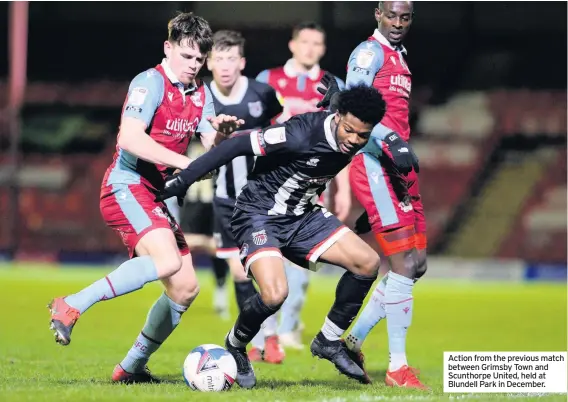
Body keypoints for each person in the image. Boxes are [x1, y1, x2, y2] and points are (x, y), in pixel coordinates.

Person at [156, 84, 417, 389]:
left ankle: (328, 341)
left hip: (303, 215)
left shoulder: (358, 131)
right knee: (275, 294)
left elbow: (382, 156)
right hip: (258, 214)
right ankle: (236, 345)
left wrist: (373, 209)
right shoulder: (299, 133)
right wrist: (184, 179)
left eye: (362, 135)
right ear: (337, 117)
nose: (354, 141)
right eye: (349, 131)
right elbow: (236, 145)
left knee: (368, 262)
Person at [46, 12, 244, 383]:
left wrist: (221, 135)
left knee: (185, 288)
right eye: (186, 56)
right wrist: (185, 163)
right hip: (126, 184)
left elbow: (208, 141)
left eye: (199, 59)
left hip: (153, 193)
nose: (193, 65)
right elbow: (130, 139)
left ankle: (131, 369)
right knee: (167, 261)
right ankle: (71, 305)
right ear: (168, 48)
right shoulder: (149, 82)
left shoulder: (201, 93)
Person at [338, 1, 429, 391]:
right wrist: (389, 139)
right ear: (377, 14)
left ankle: (353, 342)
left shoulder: (399, 57)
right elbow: (350, 110)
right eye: (391, 15)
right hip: (375, 164)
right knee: (403, 265)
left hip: (398, 170)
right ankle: (397, 367)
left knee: (417, 263)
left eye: (405, 17)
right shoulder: (368, 53)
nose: (397, 23)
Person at [256, 21, 350, 349]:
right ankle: (266, 331)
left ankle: (290, 326)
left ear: (322, 49)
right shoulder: (267, 80)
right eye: (304, 42)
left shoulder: (335, 86)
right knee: (267, 257)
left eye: (316, 43)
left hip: (312, 183)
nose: (309, 48)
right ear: (292, 44)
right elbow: (252, 132)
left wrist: (344, 190)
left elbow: (345, 143)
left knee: (304, 260)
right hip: (268, 184)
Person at [205, 29, 285, 363]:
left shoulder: (262, 94)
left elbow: (283, 132)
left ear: (242, 62)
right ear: (208, 62)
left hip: (263, 197)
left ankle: (272, 338)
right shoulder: (201, 98)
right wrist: (220, 138)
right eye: (218, 58)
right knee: (240, 273)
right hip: (225, 199)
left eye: (231, 58)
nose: (225, 66)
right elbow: (208, 151)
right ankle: (253, 339)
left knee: (266, 270)